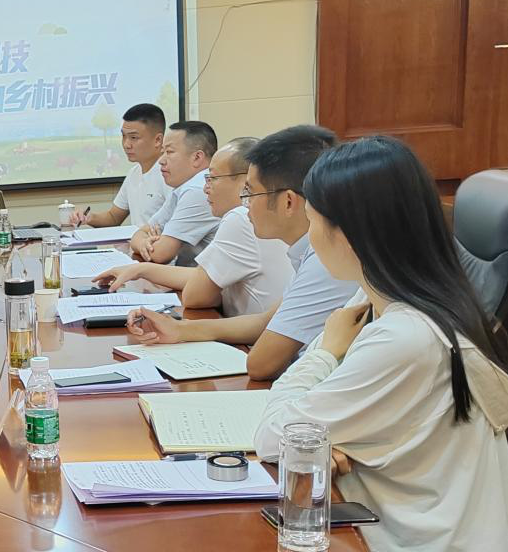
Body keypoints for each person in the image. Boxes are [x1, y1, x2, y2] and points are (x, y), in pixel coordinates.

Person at [251, 136, 508, 552]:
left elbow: (275, 437)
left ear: (350, 234)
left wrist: (327, 352)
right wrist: (323, 436)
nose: (312, 234)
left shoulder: (405, 336)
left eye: (315, 219)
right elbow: (306, 430)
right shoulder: (408, 297)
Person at [126, 125, 357, 380]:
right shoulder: (311, 249)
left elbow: (260, 364)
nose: (245, 205)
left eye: (251, 192)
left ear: (288, 201)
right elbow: (265, 322)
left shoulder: (327, 260)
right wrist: (180, 330)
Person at [94, 137, 290, 316]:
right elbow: (203, 277)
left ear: (245, 180)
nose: (205, 188)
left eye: (212, 178)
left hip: (252, 337)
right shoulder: (264, 215)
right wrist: (140, 270)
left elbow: (195, 296)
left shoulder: (240, 218)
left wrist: (142, 269)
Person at [127, 120, 221, 266]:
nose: (161, 161)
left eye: (169, 152)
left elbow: (160, 254)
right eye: (162, 152)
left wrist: (147, 243)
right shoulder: (183, 187)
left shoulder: (198, 190)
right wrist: (144, 242)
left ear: (197, 157)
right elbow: (139, 234)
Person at [70, 103, 170, 228]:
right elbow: (113, 217)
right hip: (138, 240)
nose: (126, 144)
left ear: (158, 140)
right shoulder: (134, 173)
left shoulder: (170, 175)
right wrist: (89, 218)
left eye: (134, 137)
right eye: (124, 136)